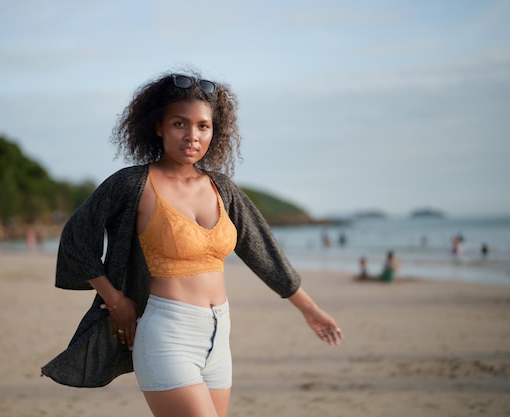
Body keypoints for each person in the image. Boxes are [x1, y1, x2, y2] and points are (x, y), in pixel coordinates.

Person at [41, 72, 343, 417]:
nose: (192, 136)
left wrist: (310, 310)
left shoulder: (222, 188)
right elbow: (77, 238)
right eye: (180, 124)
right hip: (166, 334)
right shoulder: (132, 184)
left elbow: (264, 252)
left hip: (219, 336)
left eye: (203, 126)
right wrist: (115, 300)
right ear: (159, 127)